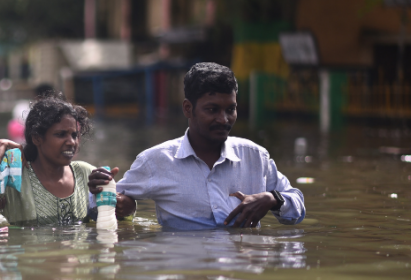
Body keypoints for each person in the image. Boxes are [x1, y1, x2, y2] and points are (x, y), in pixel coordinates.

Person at [88, 62, 305, 230]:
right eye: (212, 110)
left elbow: (297, 208)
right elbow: (98, 209)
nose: (224, 119)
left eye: (231, 109)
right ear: (188, 109)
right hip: (186, 273)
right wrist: (115, 200)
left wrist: (272, 199)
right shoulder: (155, 161)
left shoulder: (255, 157)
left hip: (241, 277)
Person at [0, 92, 96, 226]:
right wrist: (0, 146)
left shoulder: (87, 173)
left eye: (74, 135)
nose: (71, 142)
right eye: (61, 134)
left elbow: (112, 218)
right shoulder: (14, 178)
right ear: (37, 138)